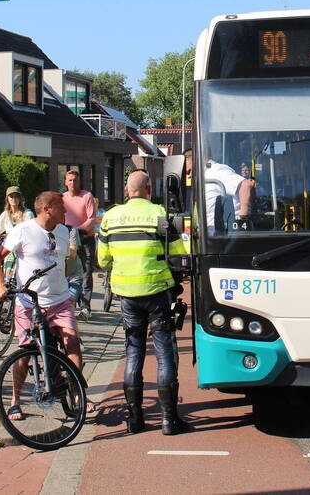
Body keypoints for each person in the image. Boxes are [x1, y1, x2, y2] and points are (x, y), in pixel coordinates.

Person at [98, 170, 190, 435]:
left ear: (127, 191)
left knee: (134, 351)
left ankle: (135, 419)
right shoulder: (160, 214)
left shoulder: (110, 218)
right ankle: (169, 421)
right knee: (164, 352)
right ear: (150, 189)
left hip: (126, 293)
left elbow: (102, 261)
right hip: (157, 292)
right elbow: (178, 256)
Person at [0, 191, 94, 420]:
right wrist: (0, 286)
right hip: (28, 302)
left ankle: (77, 393)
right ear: (47, 208)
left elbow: (65, 262)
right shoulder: (23, 231)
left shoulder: (64, 232)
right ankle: (15, 401)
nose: (66, 211)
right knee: (25, 352)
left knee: (72, 344)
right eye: (61, 207)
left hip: (59, 300)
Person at [62, 169, 96, 320]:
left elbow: (91, 218)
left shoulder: (87, 196)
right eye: (70, 180)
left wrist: (78, 230)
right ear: (65, 182)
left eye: (75, 180)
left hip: (85, 238)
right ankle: (68, 303)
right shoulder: (61, 198)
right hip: (67, 239)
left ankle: (85, 307)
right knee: (66, 272)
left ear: (79, 181)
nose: (72, 183)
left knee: (86, 272)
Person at [0, 186, 34, 277]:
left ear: (20, 198)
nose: (14, 199)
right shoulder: (5, 215)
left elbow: (30, 233)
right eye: (11, 196)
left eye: (16, 196)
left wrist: (7, 235)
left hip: (23, 252)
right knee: (6, 277)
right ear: (7, 199)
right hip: (9, 250)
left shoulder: (28, 214)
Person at [203, 157, 256, 232]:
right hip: (210, 233)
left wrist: (243, 220)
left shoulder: (215, 170)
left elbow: (246, 185)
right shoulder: (203, 173)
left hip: (225, 234)